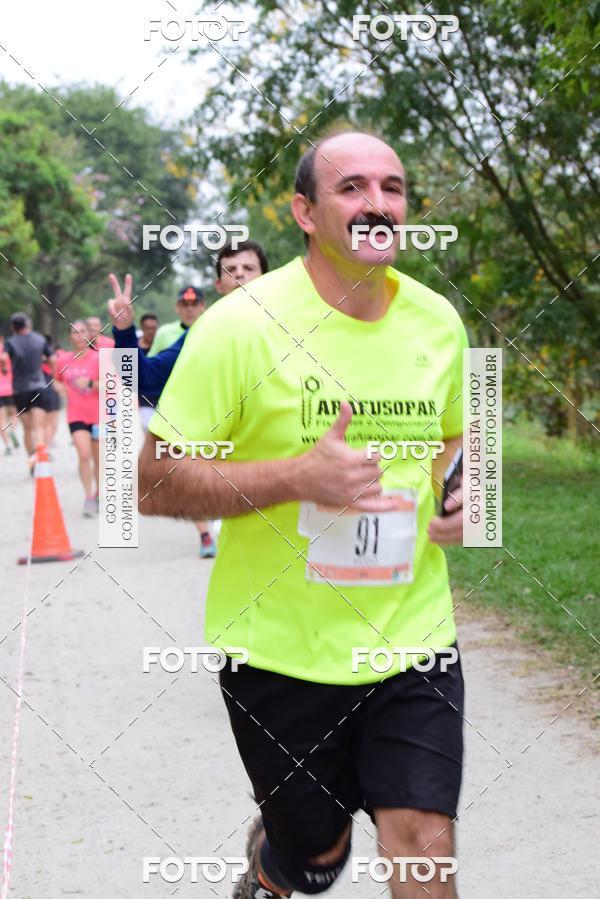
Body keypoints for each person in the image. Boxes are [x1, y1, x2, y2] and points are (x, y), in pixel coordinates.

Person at [139, 129, 468, 899]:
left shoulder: (437, 322)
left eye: (392, 187)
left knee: (422, 839)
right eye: (351, 187)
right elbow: (154, 483)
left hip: (412, 635)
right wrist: (297, 476)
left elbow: (460, 436)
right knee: (316, 858)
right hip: (277, 650)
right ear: (305, 211)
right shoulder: (239, 325)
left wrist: (468, 492)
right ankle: (279, 863)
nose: (377, 204)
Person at [108, 240, 269, 558]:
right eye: (231, 270)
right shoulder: (203, 332)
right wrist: (125, 331)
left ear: (266, 276)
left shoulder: (295, 324)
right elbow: (142, 380)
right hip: (235, 469)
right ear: (219, 284)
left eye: (249, 268)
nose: (240, 275)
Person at [55, 321, 100, 517]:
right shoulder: (63, 360)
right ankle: (89, 497)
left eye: (82, 332)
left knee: (99, 460)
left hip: (99, 416)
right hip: (76, 415)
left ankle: (98, 493)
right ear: (69, 337)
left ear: (88, 335)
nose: (79, 336)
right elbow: (56, 380)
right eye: (74, 332)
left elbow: (112, 385)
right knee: (84, 455)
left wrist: (90, 383)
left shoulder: (98, 359)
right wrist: (60, 388)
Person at [3, 313, 54, 464]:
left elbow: (3, 358)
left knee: (27, 429)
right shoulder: (40, 339)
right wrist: (53, 374)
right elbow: (53, 358)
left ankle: (32, 459)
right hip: (39, 386)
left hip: (20, 390)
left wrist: (4, 368)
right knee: (40, 427)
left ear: (13, 327)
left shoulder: (10, 342)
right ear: (27, 325)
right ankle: (40, 457)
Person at [147, 285, 205, 357]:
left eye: (194, 304)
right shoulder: (164, 333)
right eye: (184, 304)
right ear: (177, 307)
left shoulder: (212, 332)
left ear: (202, 306)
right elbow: (150, 364)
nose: (189, 309)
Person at [138, 313, 160, 432]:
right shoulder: (134, 347)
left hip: (164, 398)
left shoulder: (164, 347)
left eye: (154, 328)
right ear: (142, 328)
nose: (151, 331)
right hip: (144, 400)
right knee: (149, 431)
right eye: (148, 328)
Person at [0, 334, 20, 455]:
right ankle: (12, 430)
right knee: (14, 414)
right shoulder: (9, 351)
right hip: (11, 388)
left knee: (0, 420)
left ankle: (7, 445)